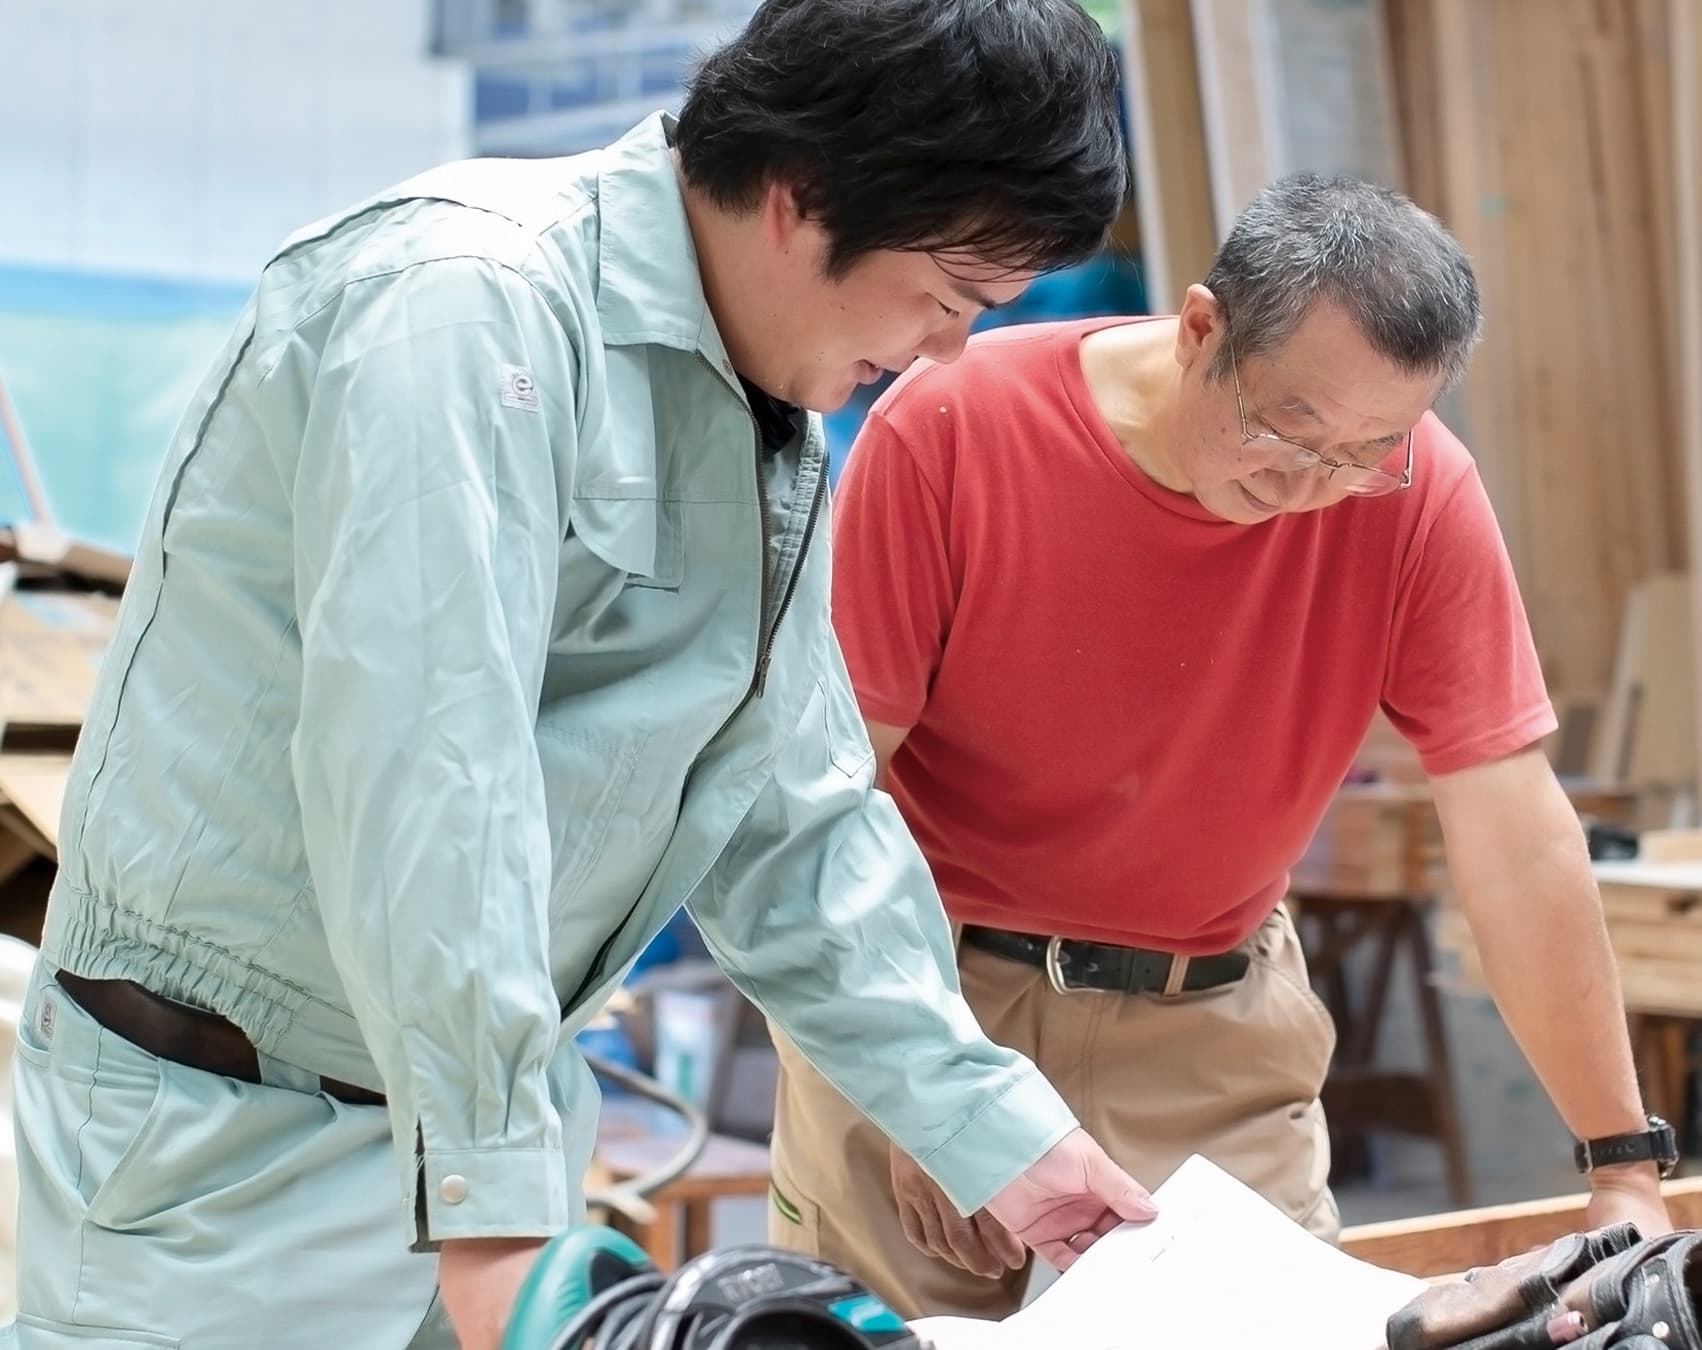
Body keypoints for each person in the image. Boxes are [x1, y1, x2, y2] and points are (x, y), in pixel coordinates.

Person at [5, 4, 1150, 1347]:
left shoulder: (767, 416)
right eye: (949, 295)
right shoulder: (461, 304)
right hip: (229, 1141)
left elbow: (792, 812)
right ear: (804, 195)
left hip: (486, 1126)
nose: (950, 347)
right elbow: (428, 770)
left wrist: (992, 1127)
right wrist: (495, 1209)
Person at [771, 174, 1676, 1320]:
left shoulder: (1413, 489)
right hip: (944, 987)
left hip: (1213, 1024)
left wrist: (1622, 1167)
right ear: (1200, 327)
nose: (1312, 489)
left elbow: (1514, 832)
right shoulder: (957, 421)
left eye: (1368, 449)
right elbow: (836, 787)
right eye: (1286, 431)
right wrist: (918, 1077)